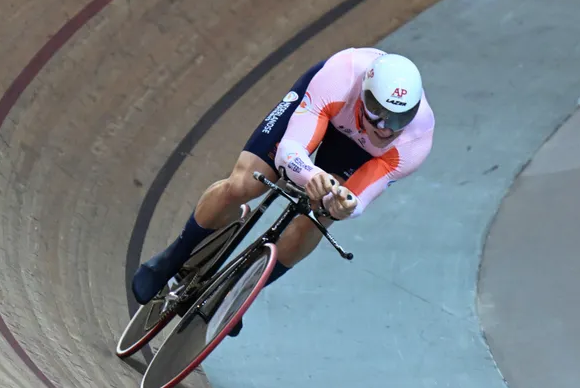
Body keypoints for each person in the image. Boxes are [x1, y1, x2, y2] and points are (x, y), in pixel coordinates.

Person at [131, 47, 435, 334]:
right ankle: (174, 257)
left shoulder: (414, 140)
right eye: (378, 113)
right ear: (364, 96)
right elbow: (288, 153)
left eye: (397, 119)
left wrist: (344, 204)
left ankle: (235, 295)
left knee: (318, 218)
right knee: (244, 184)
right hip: (325, 110)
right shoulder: (339, 78)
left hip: (359, 154)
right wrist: (311, 173)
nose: (384, 128)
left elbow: (359, 197)